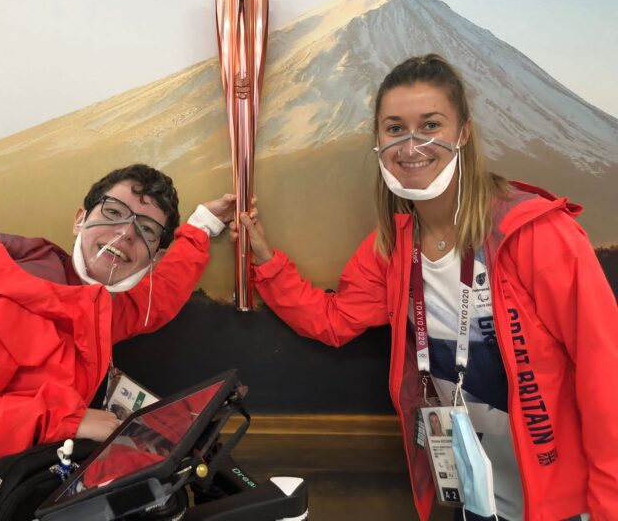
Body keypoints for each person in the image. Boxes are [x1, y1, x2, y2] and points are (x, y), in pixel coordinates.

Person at [232, 55, 618, 521]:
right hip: (475, 490)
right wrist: (264, 260)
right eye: (395, 128)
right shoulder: (393, 246)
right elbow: (333, 321)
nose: (411, 144)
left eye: (430, 124)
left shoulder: (533, 232)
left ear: (464, 133)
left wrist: (608, 505)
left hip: (560, 496)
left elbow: (605, 373)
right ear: (378, 141)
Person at [0, 163, 239, 521]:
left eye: (145, 229)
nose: (125, 234)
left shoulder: (86, 303)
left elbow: (154, 301)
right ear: (80, 219)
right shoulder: (2, 305)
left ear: (154, 257)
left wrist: (202, 224)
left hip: (24, 480)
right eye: (113, 212)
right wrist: (69, 422)